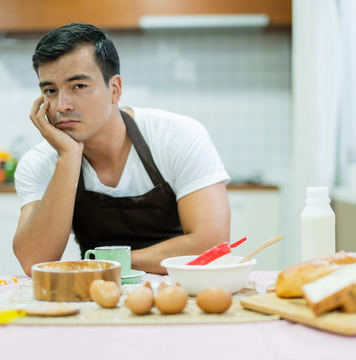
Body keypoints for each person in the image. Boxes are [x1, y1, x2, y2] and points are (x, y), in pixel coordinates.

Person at [13, 22, 230, 276]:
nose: (62, 105)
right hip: (97, 292)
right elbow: (33, 260)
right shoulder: (39, 162)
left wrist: (107, 264)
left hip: (180, 287)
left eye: (78, 86)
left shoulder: (178, 136)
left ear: (115, 89)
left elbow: (212, 244)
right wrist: (68, 158)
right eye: (50, 90)